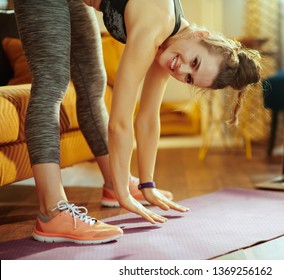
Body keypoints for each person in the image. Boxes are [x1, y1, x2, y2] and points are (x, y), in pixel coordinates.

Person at [14, 0, 262, 245]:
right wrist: (124, 196)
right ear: (200, 34)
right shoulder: (155, 24)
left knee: (92, 88)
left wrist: (148, 184)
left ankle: (114, 182)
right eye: (194, 62)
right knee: (52, 83)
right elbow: (120, 122)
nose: (182, 69)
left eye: (189, 77)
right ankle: (52, 212)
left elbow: (148, 118)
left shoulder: (174, 38)